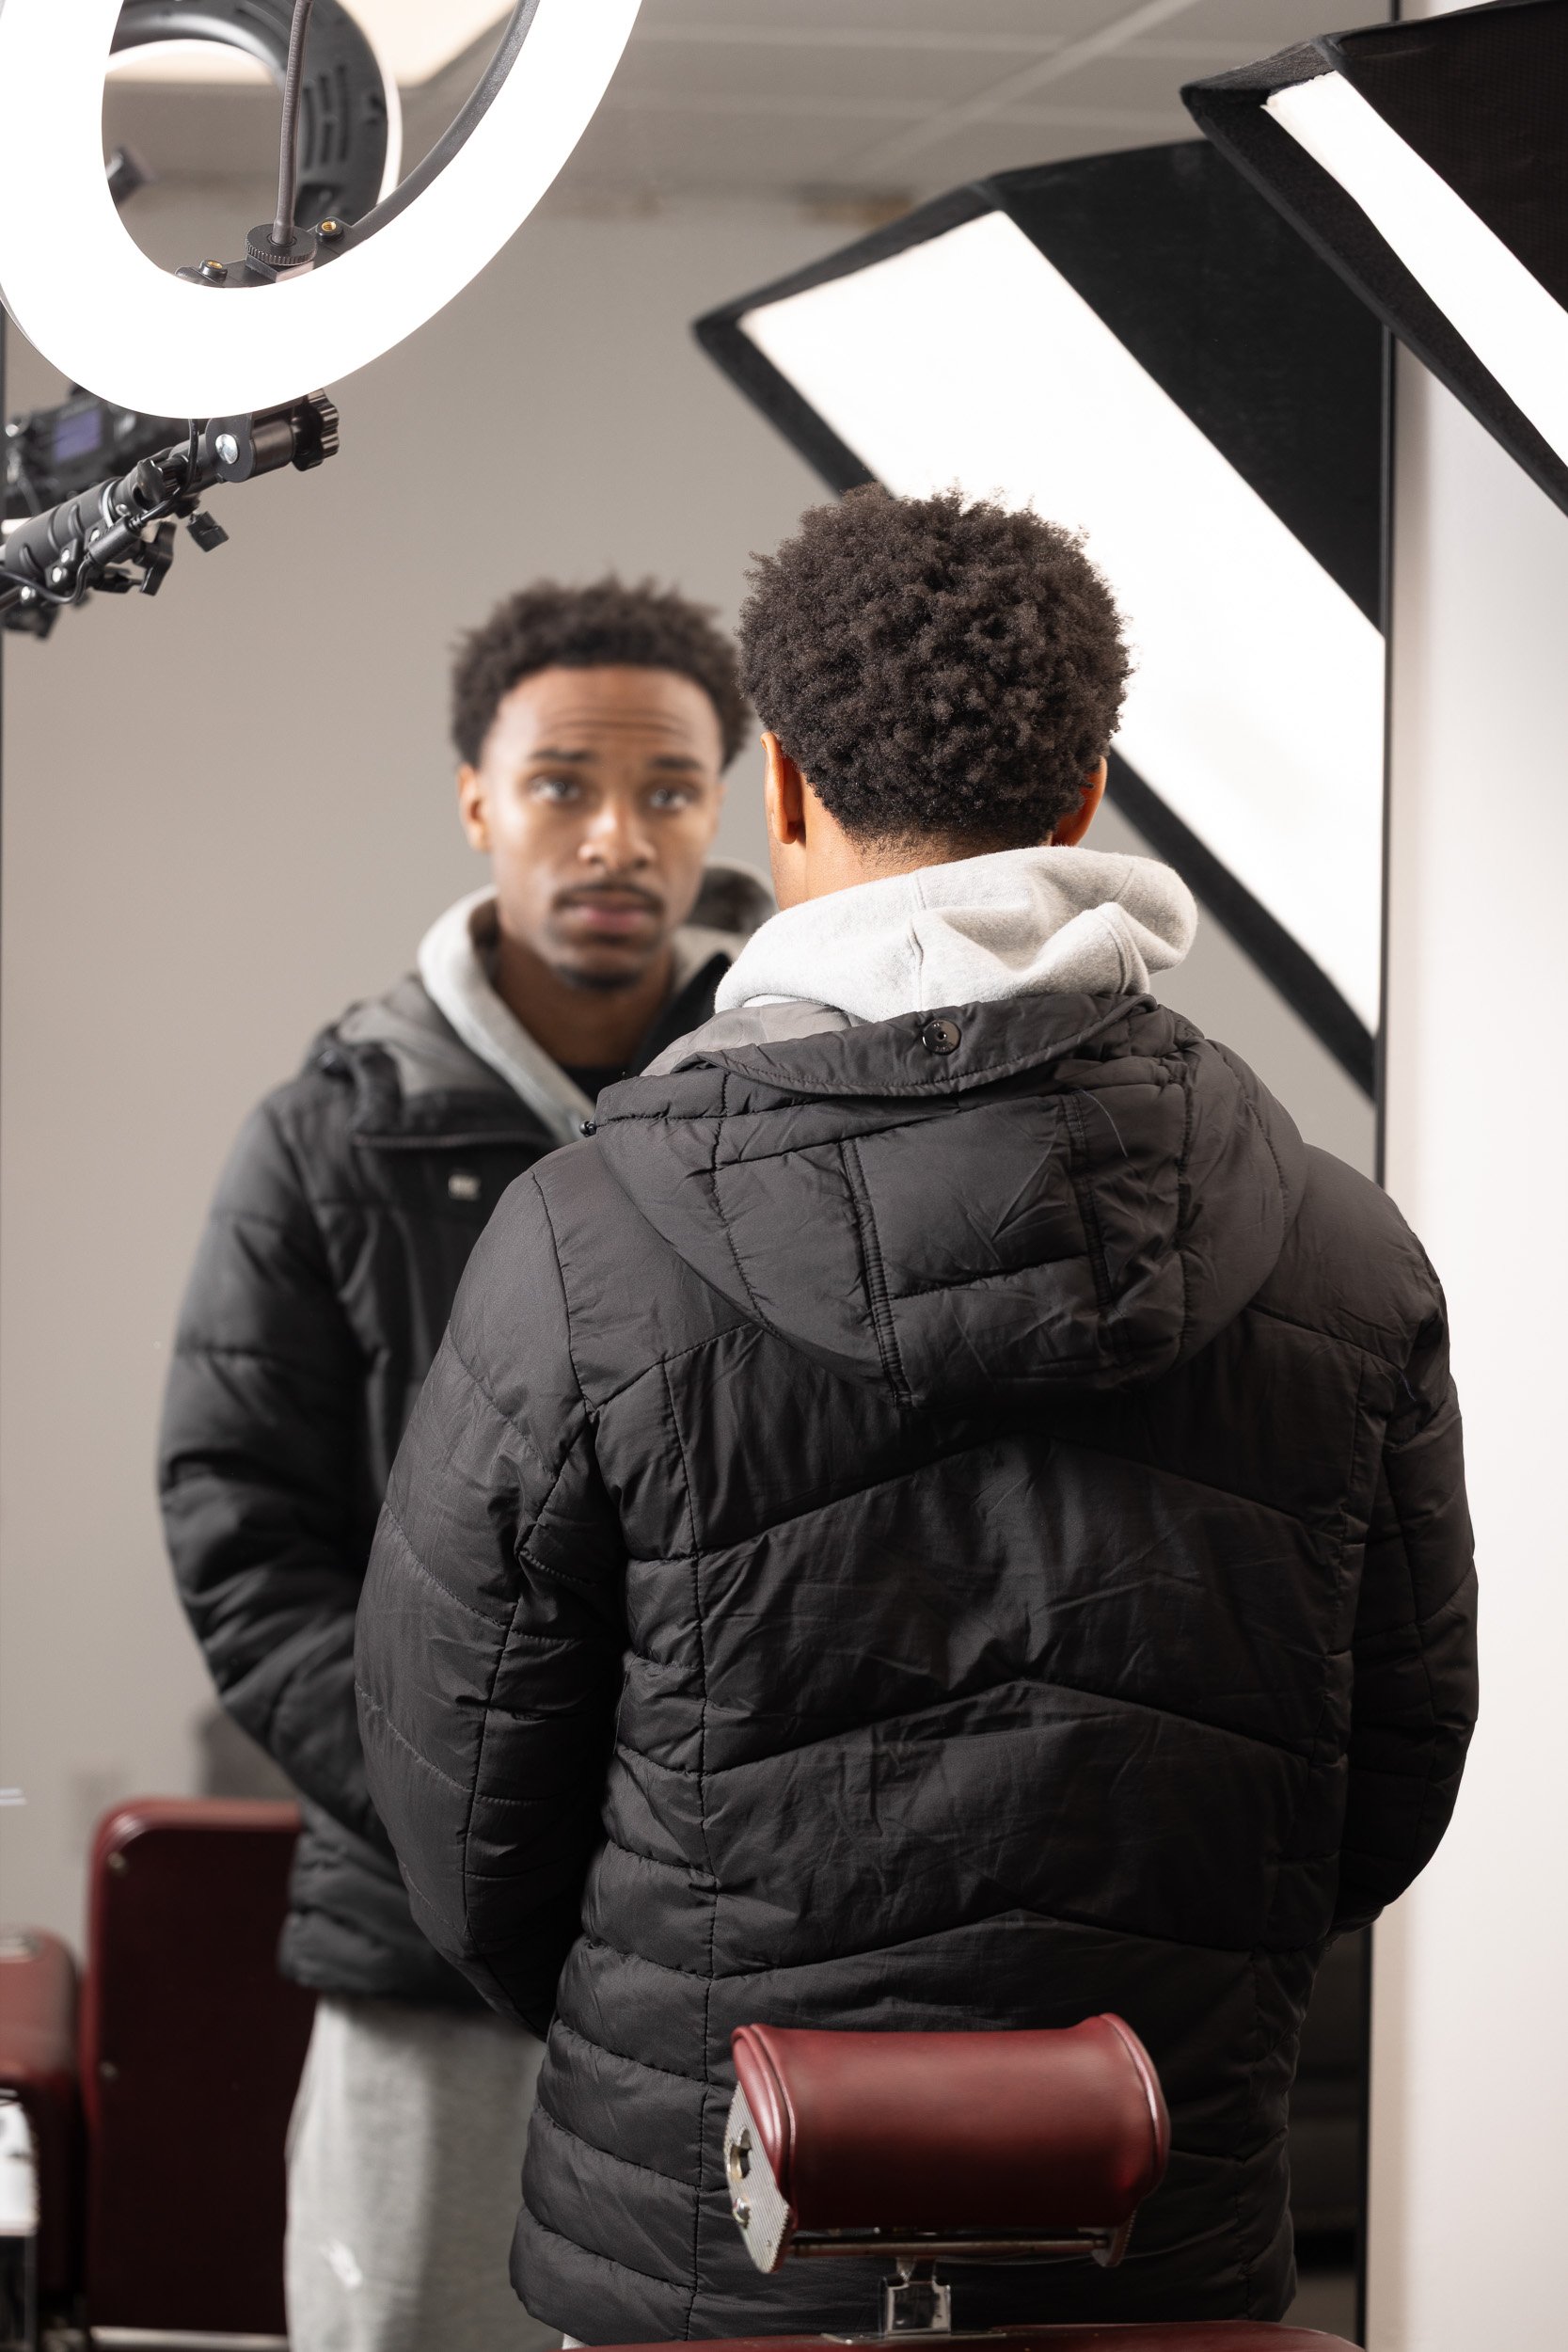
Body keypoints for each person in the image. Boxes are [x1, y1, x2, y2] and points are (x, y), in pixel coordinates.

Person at [354, 491, 1478, 2341]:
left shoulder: (583, 1242)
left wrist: (679, 2015)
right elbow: (1393, 1779)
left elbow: (462, 1805)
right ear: (1086, 792)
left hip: (711, 2247)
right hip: (1151, 2232)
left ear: (782, 789)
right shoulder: (1349, 1255)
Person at [158, 577, 768, 2352]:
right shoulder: (329, 1134)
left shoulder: (795, 1108)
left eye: (668, 790)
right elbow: (239, 1532)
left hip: (730, 1948)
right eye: (563, 783)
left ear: (720, 809)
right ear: (477, 801)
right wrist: (460, 1817)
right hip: (424, 1936)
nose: (617, 836)